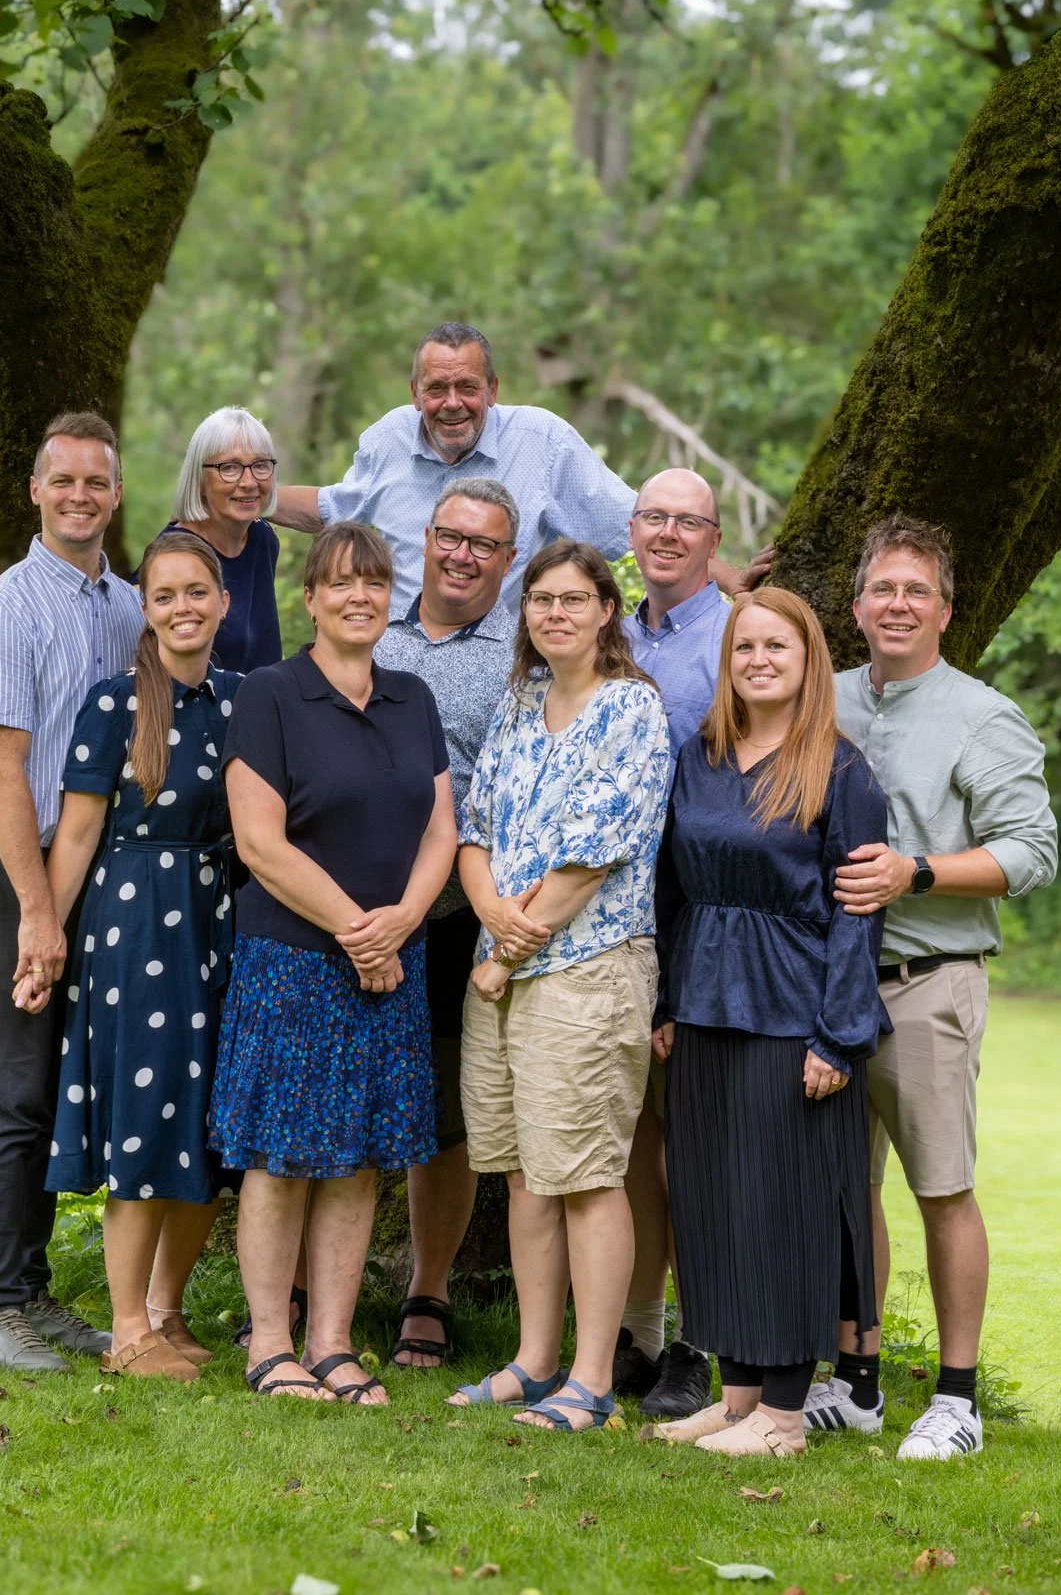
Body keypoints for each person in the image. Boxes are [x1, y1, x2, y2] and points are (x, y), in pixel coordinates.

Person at [806, 514, 1057, 1462]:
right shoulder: (820, 699)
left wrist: (915, 871)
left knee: (940, 1188)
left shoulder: (981, 715)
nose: (897, 604)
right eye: (882, 589)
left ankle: (957, 1399)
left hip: (925, 982)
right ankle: (855, 1382)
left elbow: (1031, 853)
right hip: (827, 988)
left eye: (917, 590)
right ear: (859, 605)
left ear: (944, 609)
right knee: (844, 1189)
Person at [209, 521, 456, 1405]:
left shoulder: (411, 698)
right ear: (309, 598)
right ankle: (270, 1345)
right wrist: (362, 931)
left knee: (358, 1158)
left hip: (393, 962)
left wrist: (402, 923)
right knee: (280, 1157)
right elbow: (259, 843)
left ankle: (333, 1344)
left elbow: (441, 830)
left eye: (375, 582)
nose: (360, 596)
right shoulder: (270, 696)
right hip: (294, 963)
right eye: (341, 582)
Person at [653, 586, 888, 1461]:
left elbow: (858, 916)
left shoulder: (840, 769)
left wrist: (838, 1034)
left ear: (807, 663)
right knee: (716, 1202)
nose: (757, 661)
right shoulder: (700, 756)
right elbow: (669, 893)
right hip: (705, 1005)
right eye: (743, 647)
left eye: (775, 649)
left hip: (796, 1015)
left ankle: (785, 1417)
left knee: (785, 1210)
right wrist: (666, 1003)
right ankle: (737, 1395)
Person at [447, 539, 670, 1433]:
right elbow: (474, 828)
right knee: (526, 1177)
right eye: (539, 600)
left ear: (606, 610)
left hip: (585, 968)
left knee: (584, 1174)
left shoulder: (632, 710)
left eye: (573, 599)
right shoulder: (520, 701)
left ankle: (591, 1377)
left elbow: (594, 850)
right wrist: (488, 916)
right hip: (498, 969)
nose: (554, 614)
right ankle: (534, 1360)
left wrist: (505, 949)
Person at [0, 411, 146, 1372]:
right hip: (6, 875)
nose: (78, 496)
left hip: (86, 880)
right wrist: (36, 913)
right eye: (60, 480)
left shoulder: (130, 607)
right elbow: (3, 772)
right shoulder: (5, 608)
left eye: (95, 482)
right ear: (35, 490)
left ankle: (31, 1292)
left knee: (59, 1090)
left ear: (115, 492)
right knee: (13, 1094)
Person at [21, 533, 241, 1379]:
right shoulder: (116, 705)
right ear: (143, 612)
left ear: (222, 602)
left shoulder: (243, 700)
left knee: (202, 1125)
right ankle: (125, 1330)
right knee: (145, 1121)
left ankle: (166, 1309)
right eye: (164, 596)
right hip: (135, 926)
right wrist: (46, 938)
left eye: (198, 592)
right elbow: (76, 834)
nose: (183, 607)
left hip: (217, 921)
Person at [272, 322, 769, 615]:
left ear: (492, 389)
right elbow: (335, 507)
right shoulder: (389, 439)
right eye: (435, 390)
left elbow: (633, 524)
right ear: (414, 393)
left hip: (502, 675)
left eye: (467, 388)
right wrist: (247, 497)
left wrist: (726, 578)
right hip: (395, 673)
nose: (451, 404)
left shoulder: (540, 440)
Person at [374, 477, 519, 1369]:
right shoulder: (368, 629)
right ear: (424, 539)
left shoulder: (521, 652)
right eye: (450, 536)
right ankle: (321, 1285)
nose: (462, 554)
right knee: (343, 1090)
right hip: (353, 908)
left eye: (484, 544)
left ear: (507, 559)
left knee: (448, 1118)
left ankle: (426, 1291)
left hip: (464, 912)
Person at [616, 467, 731, 1418]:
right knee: (630, 1139)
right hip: (617, 912)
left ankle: (700, 1342)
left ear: (711, 538)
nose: (667, 534)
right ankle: (638, 1335)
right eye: (653, 517)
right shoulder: (613, 634)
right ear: (631, 528)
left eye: (686, 522)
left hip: (703, 912)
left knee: (690, 1143)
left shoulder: (735, 636)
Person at [169, 406, 282, 674]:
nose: (249, 481)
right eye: (229, 468)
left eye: (260, 465)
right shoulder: (174, 556)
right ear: (198, 478)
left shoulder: (262, 539)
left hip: (261, 707)